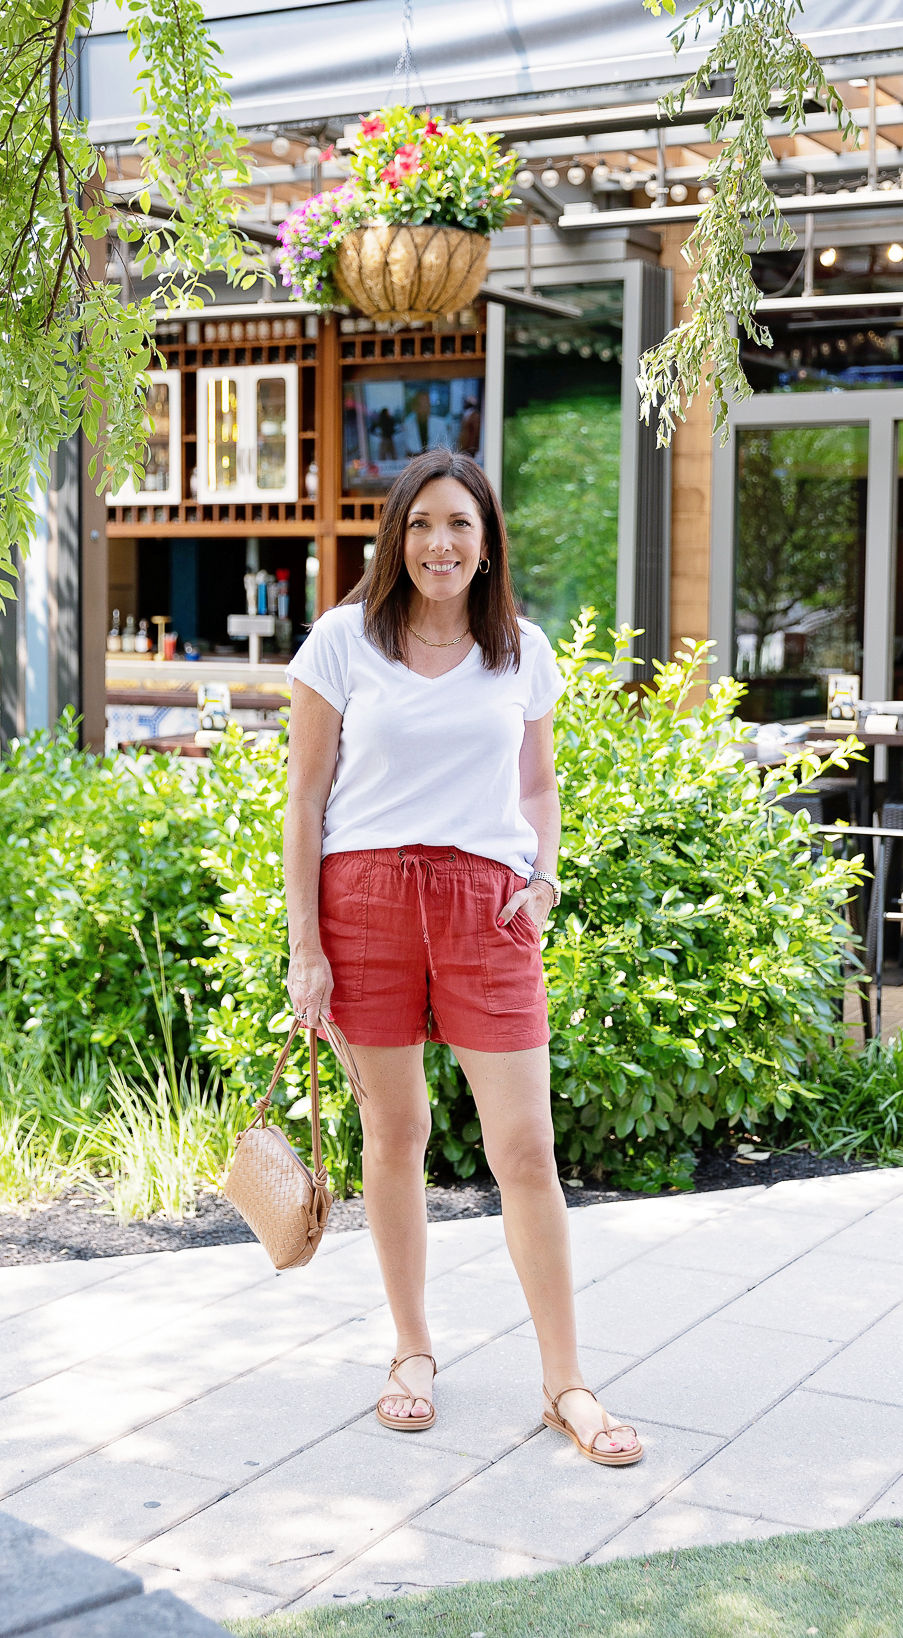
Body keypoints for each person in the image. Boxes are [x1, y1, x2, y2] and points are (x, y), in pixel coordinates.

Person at [283, 449, 641, 1467]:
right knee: (394, 1135)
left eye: (460, 526)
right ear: (396, 537)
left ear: (487, 546)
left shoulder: (521, 651)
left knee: (525, 1150)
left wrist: (544, 880)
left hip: (489, 911)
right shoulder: (342, 642)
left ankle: (566, 1383)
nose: (439, 544)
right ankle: (412, 1351)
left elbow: (537, 787)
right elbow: (305, 799)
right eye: (422, 524)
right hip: (365, 903)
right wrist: (306, 947)